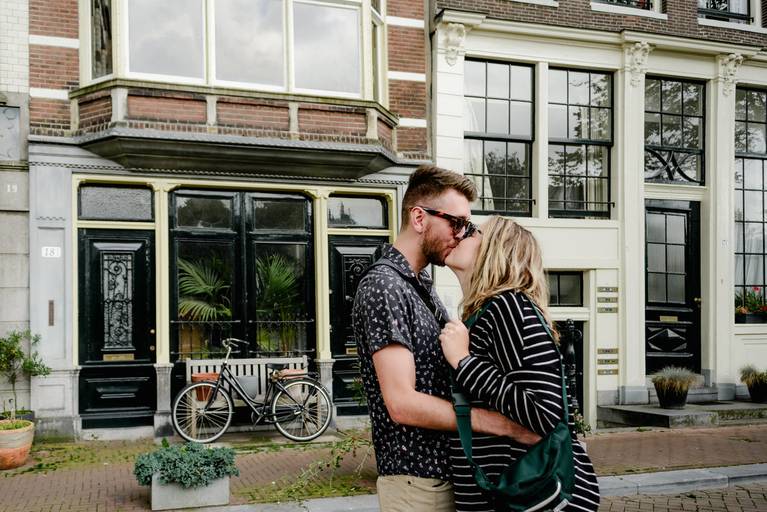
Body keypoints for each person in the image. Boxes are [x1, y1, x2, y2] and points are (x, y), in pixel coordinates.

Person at [352, 166, 540, 512]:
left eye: (467, 226)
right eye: (456, 222)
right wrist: (503, 427)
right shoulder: (384, 286)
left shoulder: (421, 286)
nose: (462, 233)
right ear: (420, 218)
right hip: (418, 484)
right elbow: (402, 403)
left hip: (445, 479)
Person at [439, 215, 601, 511]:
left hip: (523, 498)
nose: (460, 234)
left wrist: (464, 362)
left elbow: (544, 414)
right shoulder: (490, 312)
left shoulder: (508, 307)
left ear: (495, 250)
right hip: (504, 497)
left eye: (472, 231)